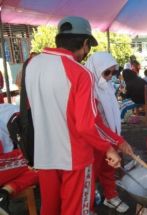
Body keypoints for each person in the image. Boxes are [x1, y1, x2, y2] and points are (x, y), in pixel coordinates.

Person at [25, 16, 123, 215]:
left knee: (50, 208)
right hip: (75, 158)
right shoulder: (80, 73)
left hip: (44, 154)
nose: (86, 53)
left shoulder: (32, 65)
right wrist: (108, 149)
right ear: (85, 43)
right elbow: (86, 126)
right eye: (88, 47)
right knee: (75, 210)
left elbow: (30, 110)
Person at [85, 52, 133, 213]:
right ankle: (87, 207)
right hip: (93, 140)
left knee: (108, 170)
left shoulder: (107, 86)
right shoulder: (88, 90)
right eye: (106, 72)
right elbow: (95, 123)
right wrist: (117, 141)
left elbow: (112, 114)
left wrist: (117, 138)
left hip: (109, 136)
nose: (110, 76)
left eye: (113, 72)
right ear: (95, 70)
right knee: (90, 176)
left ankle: (111, 197)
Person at [0, 104, 38, 215]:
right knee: (41, 163)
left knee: (37, 163)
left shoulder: (8, 109)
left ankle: (4, 193)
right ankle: (4, 194)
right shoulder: (9, 110)